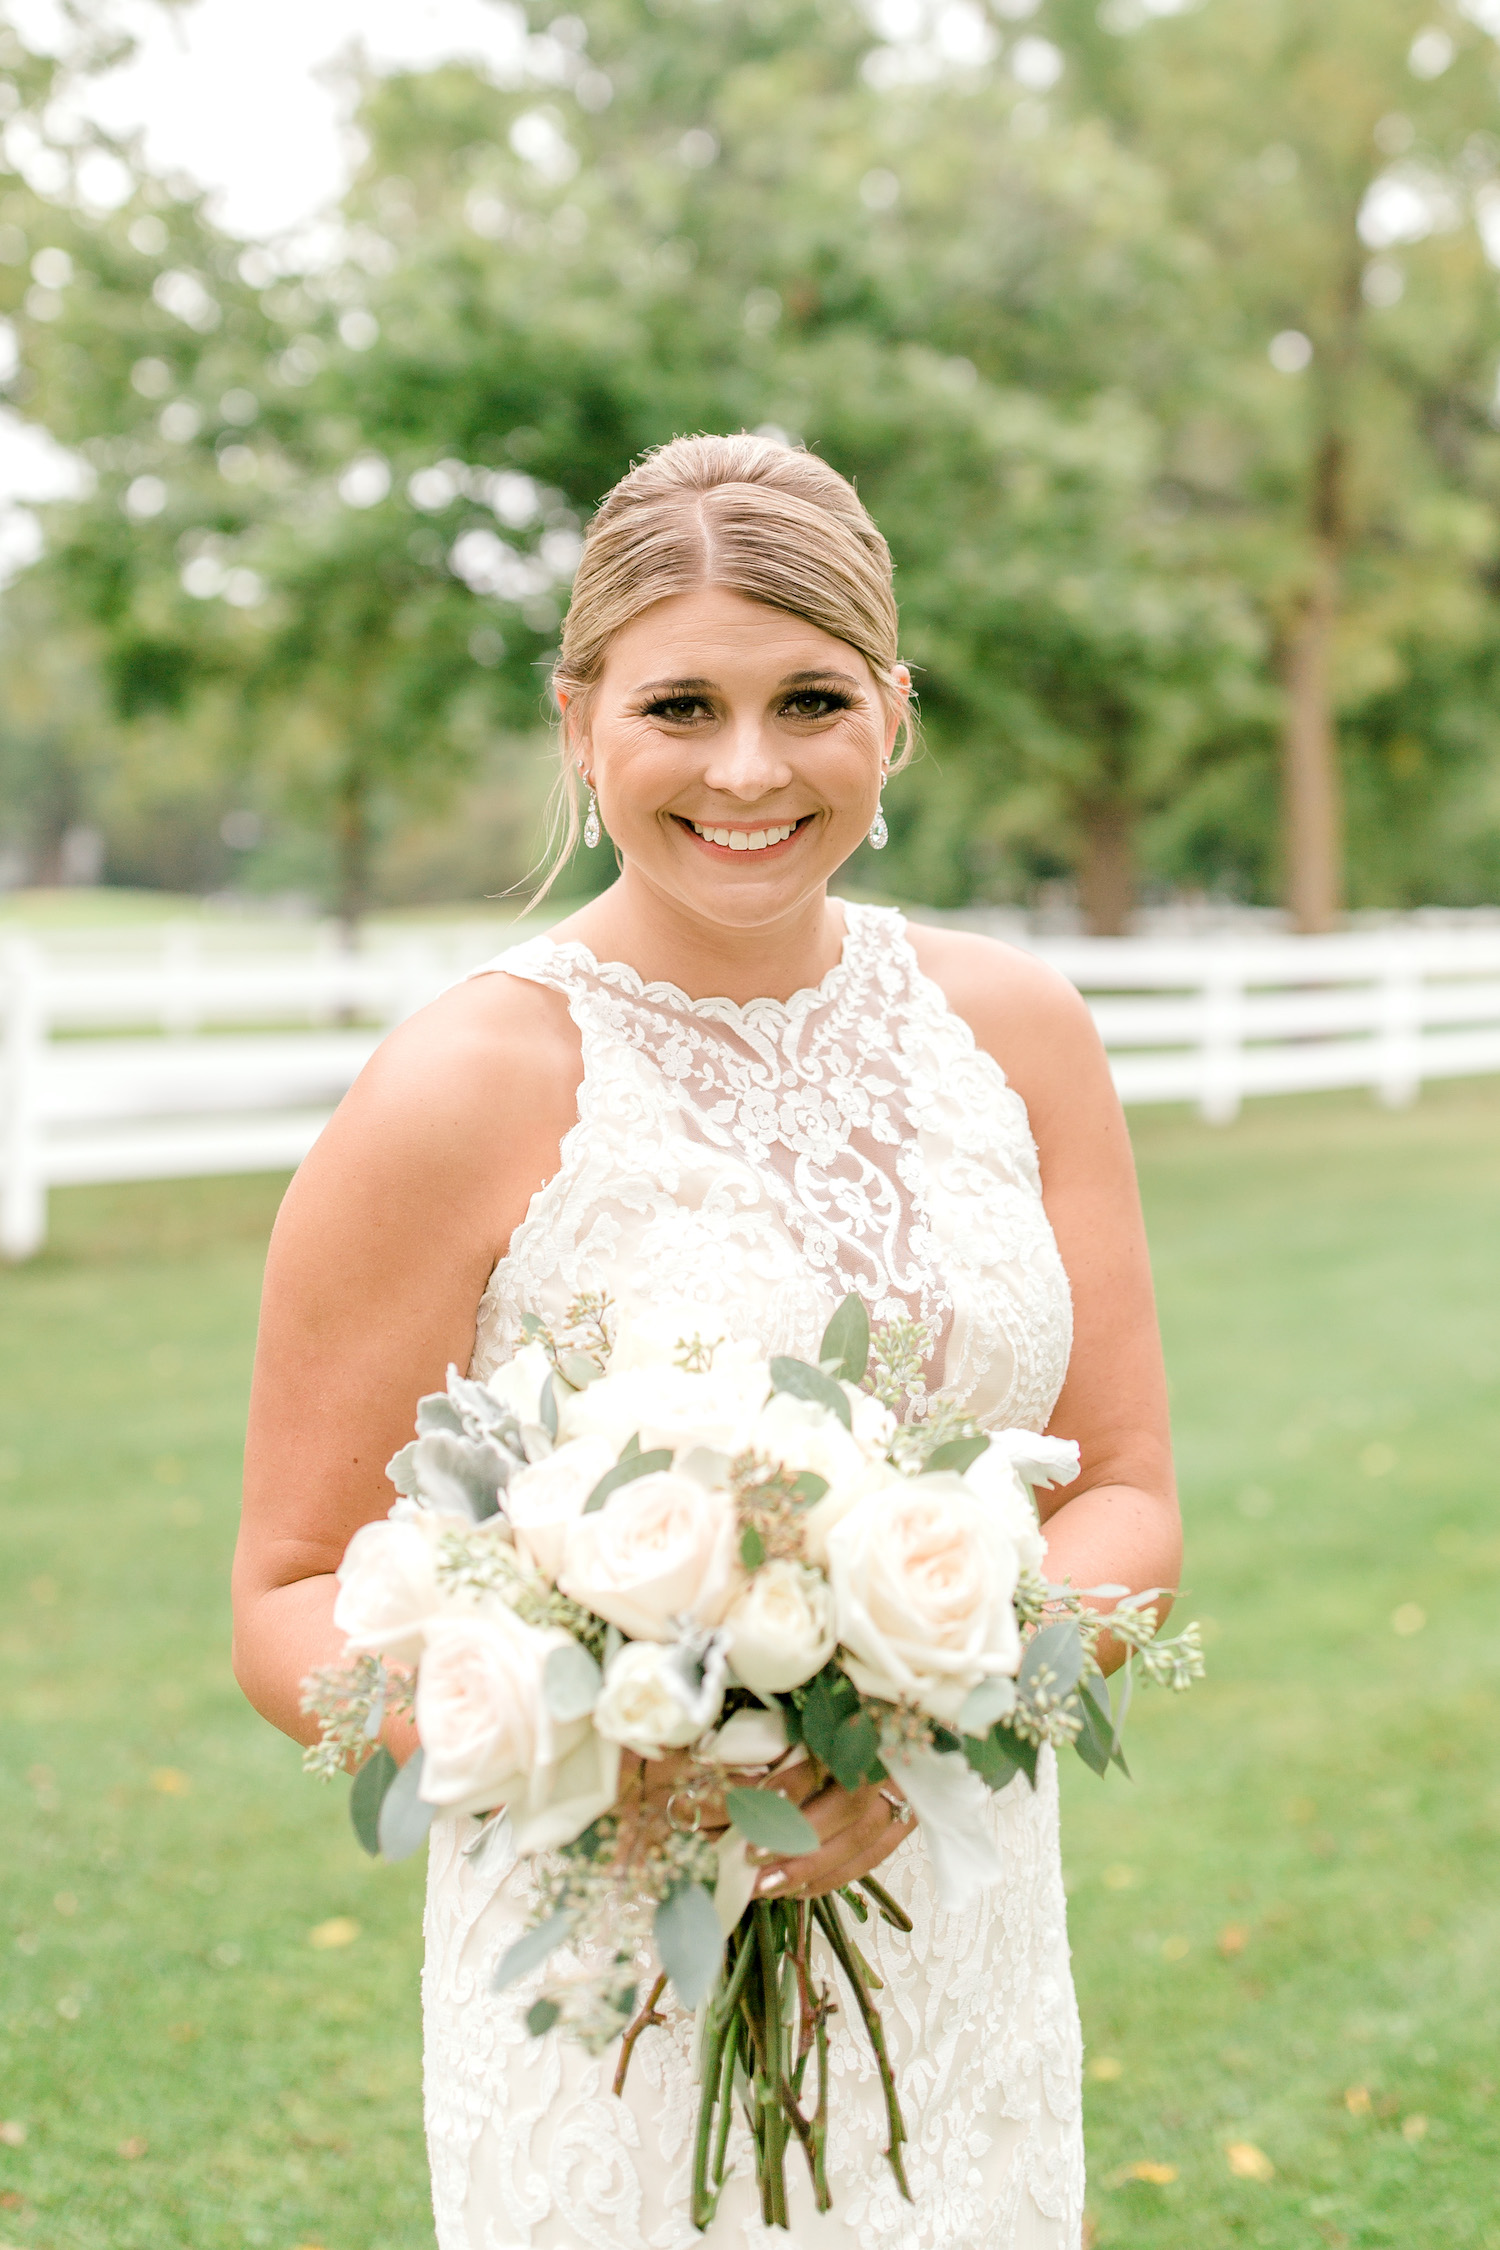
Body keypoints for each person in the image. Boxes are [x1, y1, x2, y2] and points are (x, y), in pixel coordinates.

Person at [232, 432, 1180, 2248]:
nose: (749, 767)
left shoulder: (1025, 1032)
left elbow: (1128, 1485)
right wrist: (625, 1758)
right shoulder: (457, 1087)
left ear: (893, 714)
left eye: (810, 697)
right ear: (581, 717)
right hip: (614, 1973)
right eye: (682, 703)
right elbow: (287, 1592)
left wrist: (940, 1697)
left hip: (963, 1936)